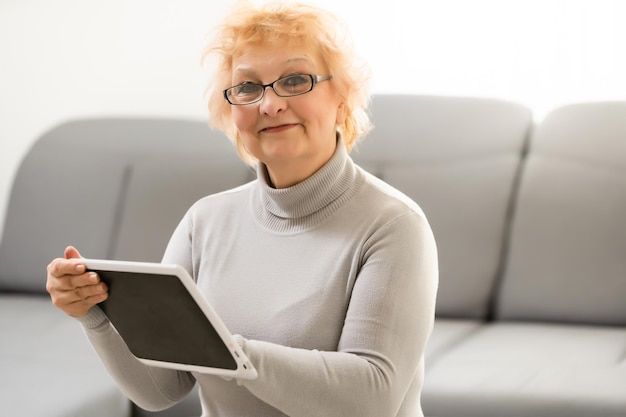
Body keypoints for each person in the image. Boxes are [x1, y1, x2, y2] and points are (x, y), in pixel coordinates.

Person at [46, 1, 438, 416]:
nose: (269, 105)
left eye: (294, 80)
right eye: (248, 87)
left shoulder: (395, 226)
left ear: (341, 96)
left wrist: (228, 352)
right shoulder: (205, 221)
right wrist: (95, 313)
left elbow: (369, 399)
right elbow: (160, 388)